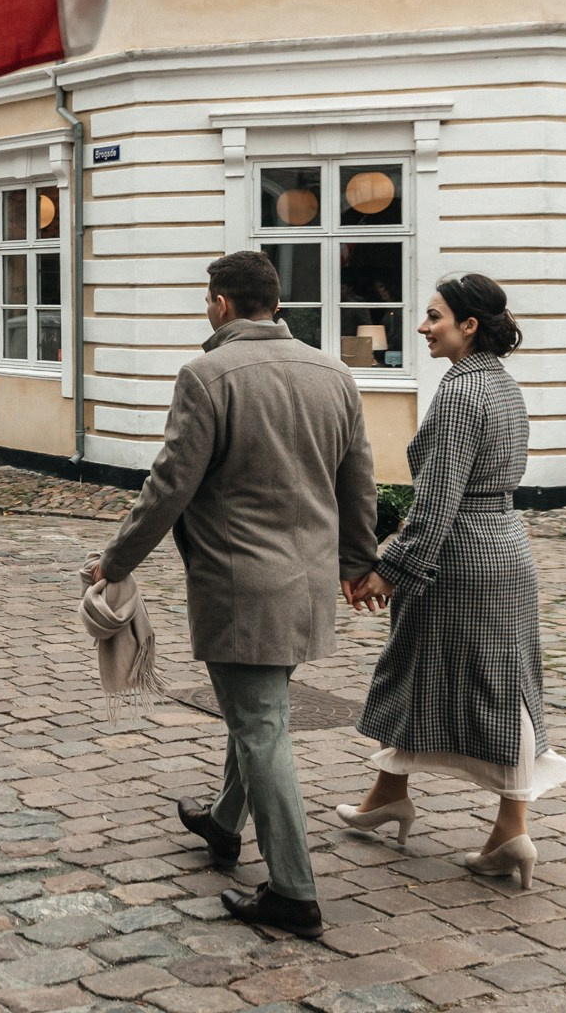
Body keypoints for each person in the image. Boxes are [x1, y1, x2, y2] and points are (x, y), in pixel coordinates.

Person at [94, 251, 379, 937]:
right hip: (305, 580)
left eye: (206, 301)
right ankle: (223, 823)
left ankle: (293, 890)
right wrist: (359, 559)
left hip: (241, 582)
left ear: (221, 304)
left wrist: (115, 561)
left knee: (259, 725)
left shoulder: (206, 375)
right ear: (272, 303)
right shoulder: (332, 371)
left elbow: (169, 487)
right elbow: (358, 475)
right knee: (261, 712)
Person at [337, 273, 566, 888]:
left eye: (435, 316)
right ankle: (392, 796)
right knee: (424, 669)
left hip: (460, 558)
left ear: (469, 326)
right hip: (503, 547)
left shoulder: (462, 393)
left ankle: (511, 828)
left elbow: (438, 499)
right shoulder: (501, 384)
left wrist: (391, 570)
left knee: (492, 687)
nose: (422, 327)